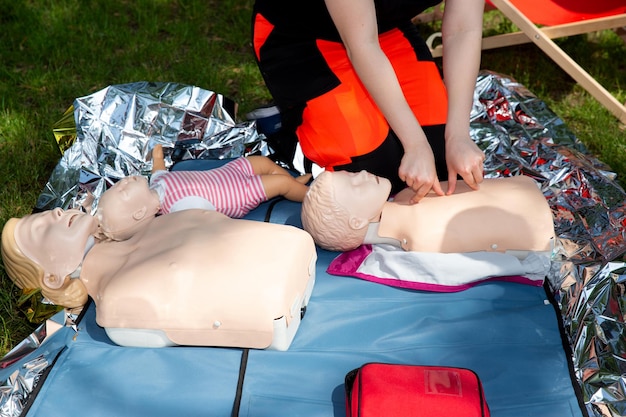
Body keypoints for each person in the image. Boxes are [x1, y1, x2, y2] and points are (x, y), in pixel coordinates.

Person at [252, 0, 486, 202]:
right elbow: (362, 45)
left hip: (383, 30)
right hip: (300, 35)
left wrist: (458, 135)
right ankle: (290, 126)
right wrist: (415, 145)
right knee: (370, 174)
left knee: (440, 160)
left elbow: (463, 29)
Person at [1, 208, 316, 349]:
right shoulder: (120, 301)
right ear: (54, 278)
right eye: (42, 228)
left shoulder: (149, 228)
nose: (56, 213)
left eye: (51, 211)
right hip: (274, 300)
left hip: (292, 251)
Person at [300, 170, 555, 254]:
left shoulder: (406, 195)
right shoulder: (420, 238)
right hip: (539, 228)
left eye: (354, 174)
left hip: (524, 194)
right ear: (357, 221)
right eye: (356, 184)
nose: (363, 174)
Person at [96, 144, 311, 241]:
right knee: (280, 184)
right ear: (140, 212)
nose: (122, 182)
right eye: (123, 191)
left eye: (117, 185)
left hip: (227, 173)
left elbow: (159, 170)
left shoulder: (156, 183)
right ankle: (309, 195)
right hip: (237, 194)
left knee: (263, 162)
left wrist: (157, 158)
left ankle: (293, 183)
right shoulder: (176, 209)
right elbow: (205, 222)